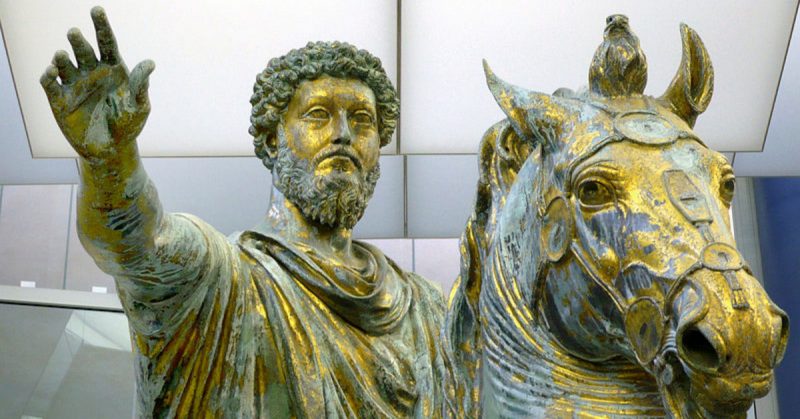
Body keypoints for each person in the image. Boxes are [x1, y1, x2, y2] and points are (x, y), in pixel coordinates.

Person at [41, 7, 445, 418]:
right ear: (273, 140)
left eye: (362, 120)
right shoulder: (221, 276)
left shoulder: (427, 308)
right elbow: (140, 246)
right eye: (318, 115)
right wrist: (110, 163)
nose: (343, 133)